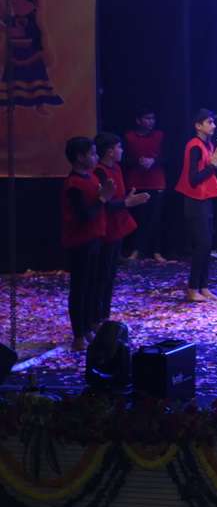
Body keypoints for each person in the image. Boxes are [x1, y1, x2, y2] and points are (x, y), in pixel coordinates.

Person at [92, 133, 148, 326]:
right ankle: (96, 317)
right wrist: (126, 202)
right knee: (102, 274)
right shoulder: (100, 172)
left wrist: (128, 200)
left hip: (117, 226)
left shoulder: (116, 168)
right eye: (119, 147)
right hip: (105, 228)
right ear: (109, 151)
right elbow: (104, 204)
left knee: (110, 274)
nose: (122, 151)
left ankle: (104, 316)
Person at [61, 137, 108, 351]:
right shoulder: (74, 184)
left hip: (94, 238)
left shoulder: (91, 177)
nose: (96, 157)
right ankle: (78, 334)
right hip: (80, 241)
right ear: (80, 157)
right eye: (92, 154)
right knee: (80, 288)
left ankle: (89, 326)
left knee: (91, 285)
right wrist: (102, 199)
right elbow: (84, 215)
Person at [175, 109, 217, 302]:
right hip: (195, 201)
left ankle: (204, 287)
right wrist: (212, 166)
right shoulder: (194, 146)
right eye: (209, 122)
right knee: (201, 245)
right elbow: (193, 179)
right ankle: (193, 288)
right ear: (198, 125)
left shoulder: (208, 144)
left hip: (205, 199)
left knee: (207, 244)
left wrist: (213, 166)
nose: (214, 126)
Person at [122, 108, 167, 262]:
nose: (151, 122)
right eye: (147, 118)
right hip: (136, 182)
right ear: (138, 120)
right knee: (137, 218)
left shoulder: (159, 135)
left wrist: (154, 161)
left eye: (152, 118)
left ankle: (157, 251)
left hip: (156, 182)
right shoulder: (129, 137)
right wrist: (138, 161)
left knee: (156, 219)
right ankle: (136, 249)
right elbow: (123, 159)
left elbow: (168, 156)